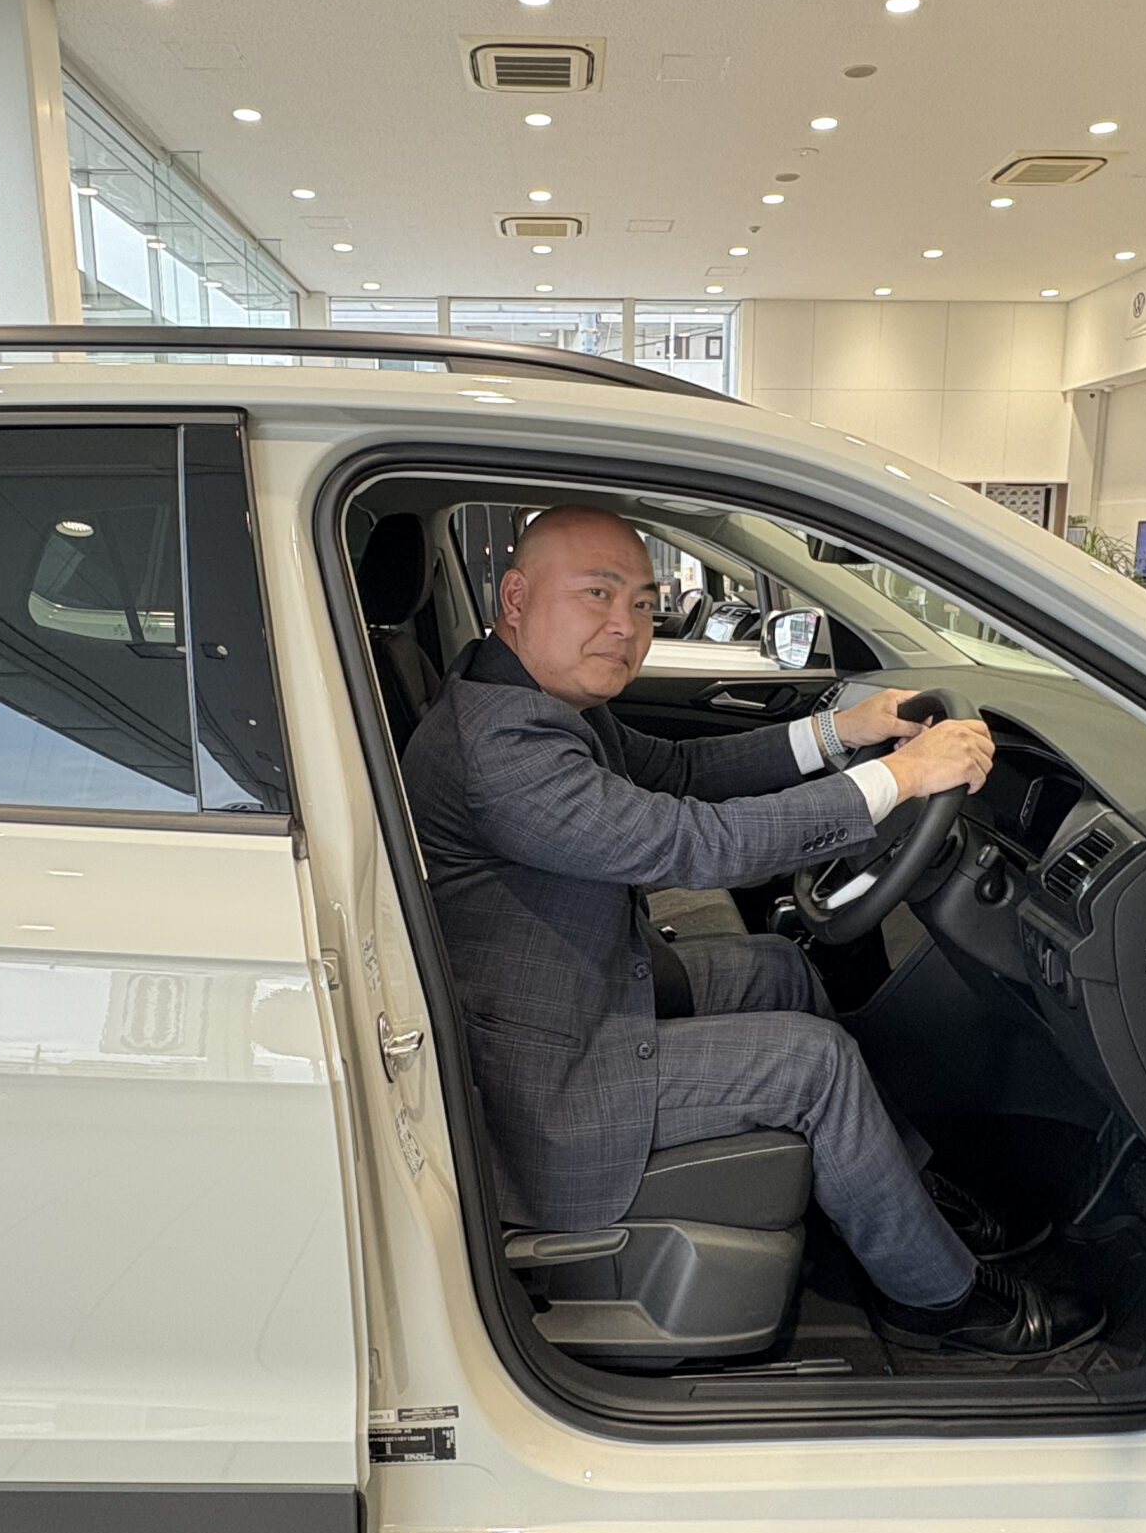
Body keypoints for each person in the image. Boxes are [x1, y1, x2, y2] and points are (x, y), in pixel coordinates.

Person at [401, 505, 1104, 1358]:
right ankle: (938, 1300)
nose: (626, 627)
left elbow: (681, 769)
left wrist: (844, 731)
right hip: (551, 1087)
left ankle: (903, 1194)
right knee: (817, 1063)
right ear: (515, 598)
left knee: (779, 967)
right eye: (597, 594)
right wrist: (899, 777)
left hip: (570, 994)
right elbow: (694, 845)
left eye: (642, 603)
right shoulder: (502, 748)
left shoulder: (528, 694)